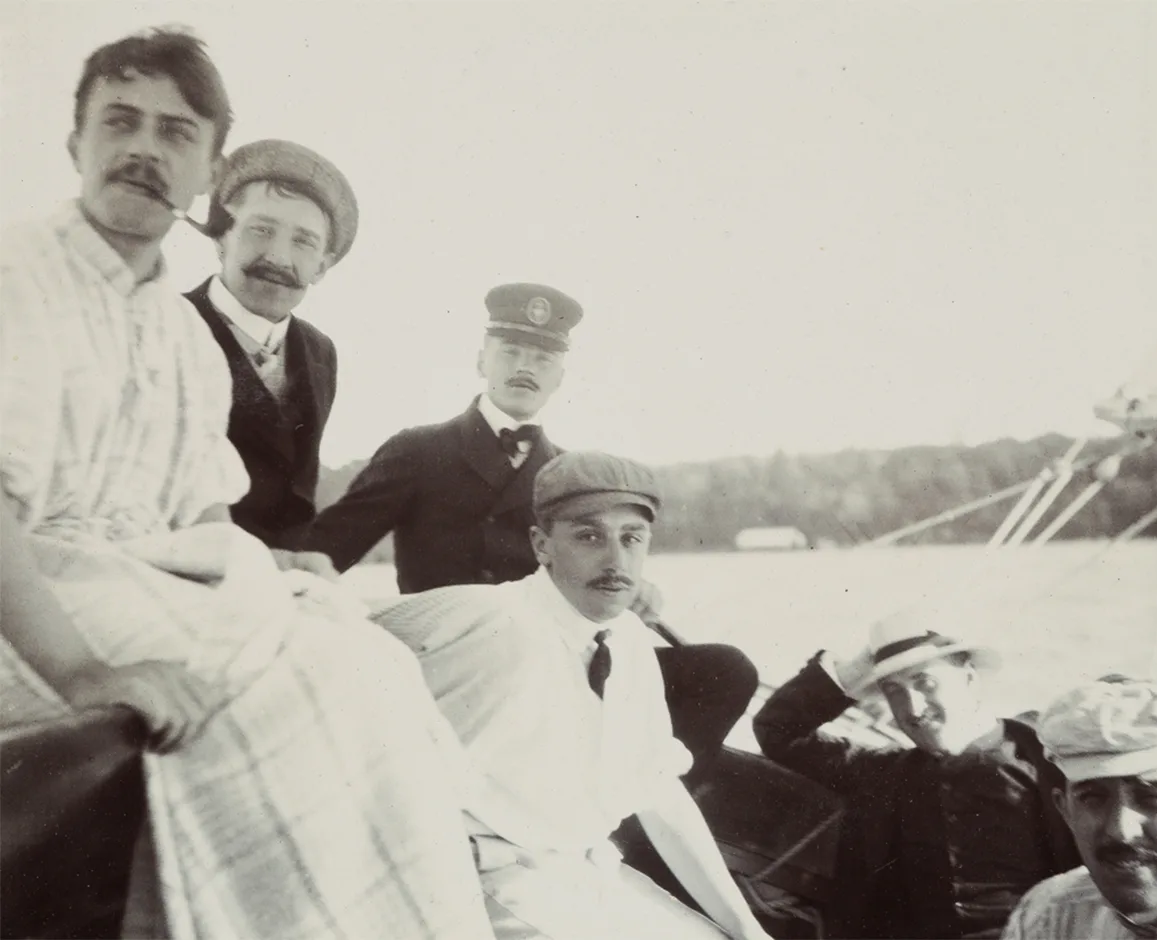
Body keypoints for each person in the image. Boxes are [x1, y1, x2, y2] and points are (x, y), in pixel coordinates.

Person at [0, 28, 496, 939]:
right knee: (319, 683)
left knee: (370, 661)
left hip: (139, 583)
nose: (146, 150)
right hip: (34, 605)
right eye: (120, 121)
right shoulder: (16, 274)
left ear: (203, 177)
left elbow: (198, 516)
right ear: (75, 142)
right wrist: (85, 674)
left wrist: (275, 585)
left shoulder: (179, 336)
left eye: (177, 134)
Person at [291, 283, 759, 786]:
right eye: (510, 352)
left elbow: (585, 576)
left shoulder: (567, 471)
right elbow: (324, 554)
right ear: (481, 362)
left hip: (556, 663)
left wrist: (627, 588)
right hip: (459, 664)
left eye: (541, 357)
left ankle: (634, 822)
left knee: (726, 671)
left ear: (559, 377)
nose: (525, 367)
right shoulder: (419, 450)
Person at [372, 451, 773, 940]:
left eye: (631, 539)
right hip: (478, 882)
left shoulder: (625, 639)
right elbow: (337, 641)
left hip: (582, 874)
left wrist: (747, 929)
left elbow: (659, 795)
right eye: (589, 537)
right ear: (541, 545)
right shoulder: (497, 622)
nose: (616, 561)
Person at [753, 612, 1080, 938]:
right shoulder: (882, 773)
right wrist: (856, 670)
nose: (913, 707)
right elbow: (779, 731)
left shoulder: (1050, 760)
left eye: (925, 683)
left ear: (969, 679)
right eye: (894, 691)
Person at [184, 138, 356, 546]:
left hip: (281, 583)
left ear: (322, 267)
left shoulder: (320, 352)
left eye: (303, 242)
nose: (278, 257)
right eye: (261, 230)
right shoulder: (169, 325)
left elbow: (297, 500)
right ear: (220, 239)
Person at [1002, 675, 1157, 939]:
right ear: (1066, 811)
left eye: (1152, 798)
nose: (1121, 830)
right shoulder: (1045, 917)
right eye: (1092, 798)